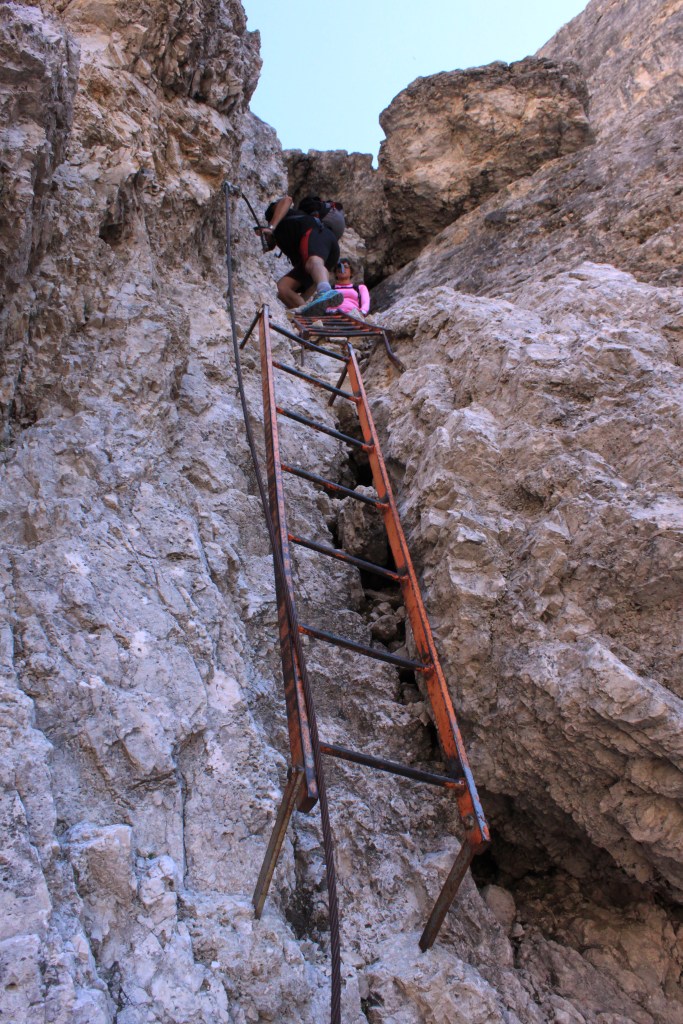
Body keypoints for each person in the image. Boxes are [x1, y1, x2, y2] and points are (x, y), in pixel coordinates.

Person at [260, 196, 343, 316]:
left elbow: (287, 200)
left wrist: (271, 227)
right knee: (282, 288)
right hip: (327, 254)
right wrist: (304, 303)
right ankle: (310, 312)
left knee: (312, 262)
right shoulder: (283, 239)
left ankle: (325, 290)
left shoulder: (277, 216)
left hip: (317, 234)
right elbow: (312, 282)